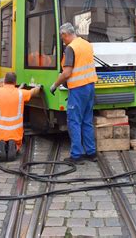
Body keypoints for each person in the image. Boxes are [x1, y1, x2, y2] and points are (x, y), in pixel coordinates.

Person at [50, 22, 98, 164]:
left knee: (74, 121)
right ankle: (91, 152)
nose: (62, 40)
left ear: (65, 34)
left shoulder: (71, 48)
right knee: (87, 121)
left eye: (62, 37)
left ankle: (76, 155)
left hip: (78, 89)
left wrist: (54, 85)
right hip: (90, 86)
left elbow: (67, 73)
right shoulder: (86, 44)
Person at [0, 72, 41, 161]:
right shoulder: (20, 93)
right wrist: (38, 87)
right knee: (18, 143)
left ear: (4, 80)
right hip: (15, 134)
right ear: (15, 82)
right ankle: (14, 146)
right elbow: (33, 92)